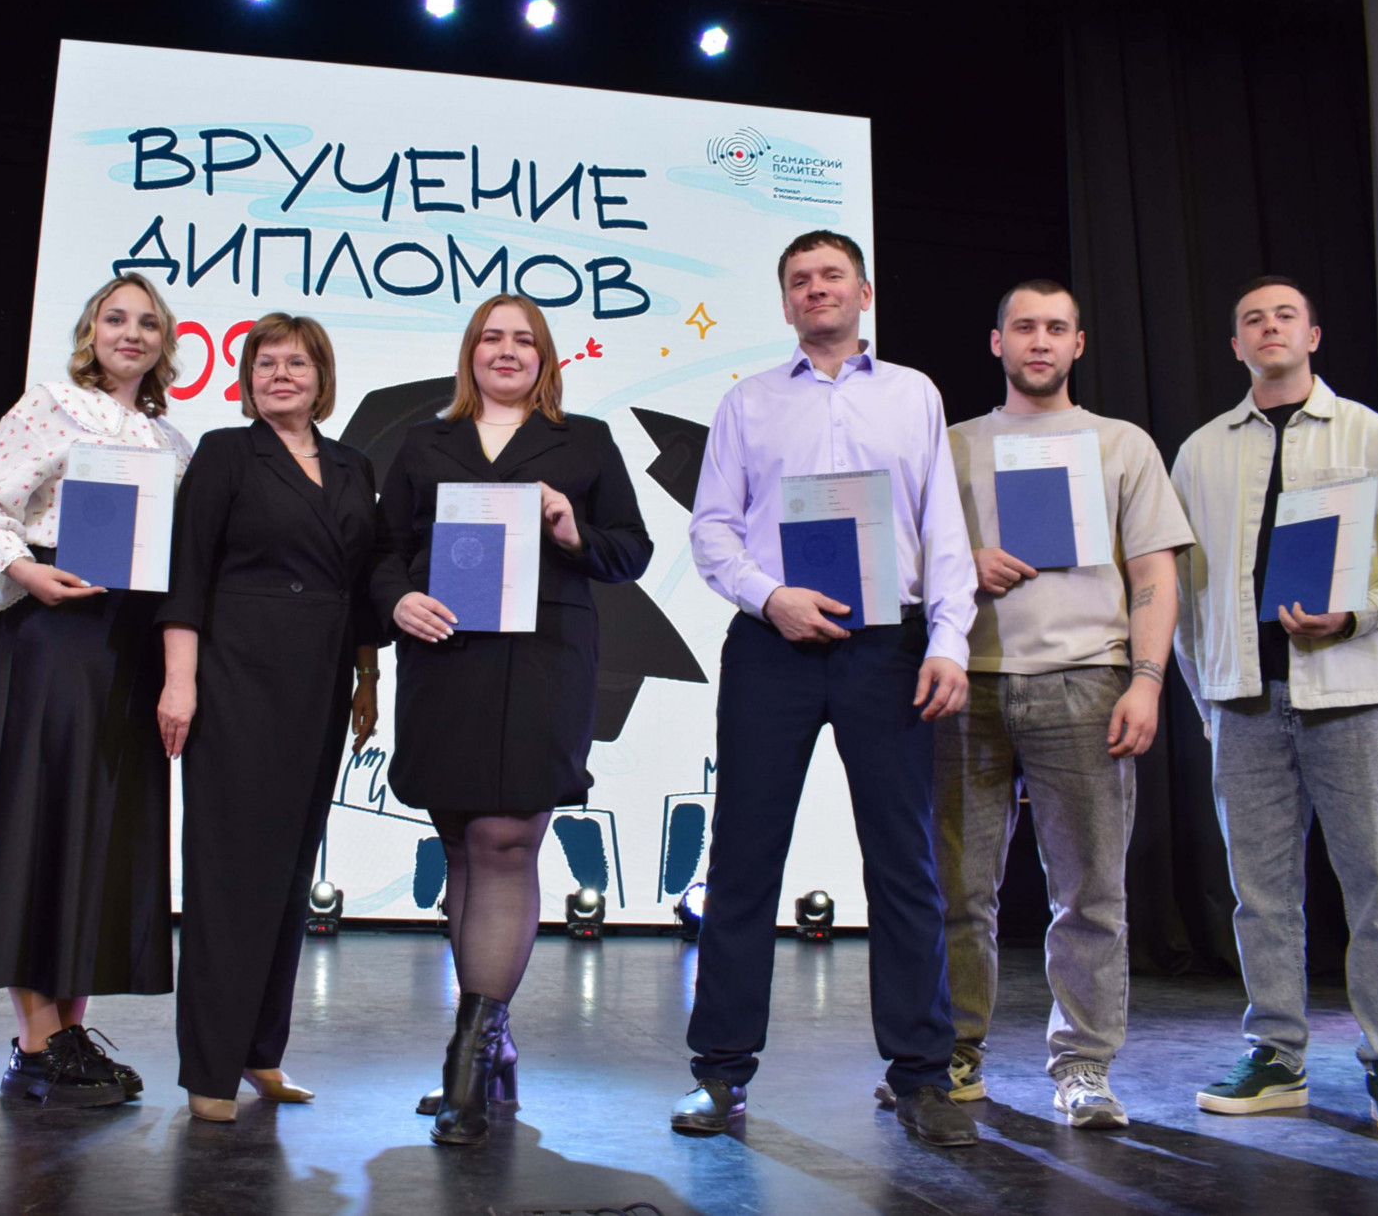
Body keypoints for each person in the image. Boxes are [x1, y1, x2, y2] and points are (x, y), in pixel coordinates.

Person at [678, 230, 979, 1146]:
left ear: (864, 291)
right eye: (801, 280)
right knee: (742, 858)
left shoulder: (914, 393)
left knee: (904, 861)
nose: (817, 289)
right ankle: (720, 1073)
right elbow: (712, 528)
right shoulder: (748, 401)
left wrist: (950, 640)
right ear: (785, 303)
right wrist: (771, 596)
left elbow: (943, 526)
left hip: (889, 645)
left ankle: (922, 1075)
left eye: (832, 276)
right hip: (773, 643)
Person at [373, 293, 653, 1146]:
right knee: (462, 840)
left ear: (545, 357)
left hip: (543, 664)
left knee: (504, 841)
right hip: (446, 658)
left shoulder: (586, 441)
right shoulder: (424, 441)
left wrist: (571, 529)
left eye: (523, 339)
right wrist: (398, 599)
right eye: (491, 337)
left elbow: (630, 551)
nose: (506, 350)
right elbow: (383, 550)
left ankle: (468, 1059)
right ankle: (491, 1045)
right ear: (470, 353)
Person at [1172, 276, 1378, 1138]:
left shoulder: (1373, 435)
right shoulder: (1201, 452)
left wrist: (1358, 613)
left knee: (1377, 888)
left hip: (1355, 694)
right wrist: (1208, 696)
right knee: (1259, 894)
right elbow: (1180, 591)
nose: (1269, 327)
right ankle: (1277, 1055)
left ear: (1313, 335)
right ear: (1235, 345)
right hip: (1245, 701)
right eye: (1252, 319)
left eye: (1285, 315)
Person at [937, 280, 1192, 1129]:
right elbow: (908, 556)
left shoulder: (1121, 443)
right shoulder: (951, 445)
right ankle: (953, 1053)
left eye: (1055, 328)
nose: (1039, 341)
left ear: (1078, 343)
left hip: (1087, 680)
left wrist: (1147, 679)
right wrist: (962, 560)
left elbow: (1155, 572)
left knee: (1089, 893)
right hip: (967, 683)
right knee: (957, 890)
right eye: (1023, 327)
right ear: (997, 341)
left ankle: (1083, 1064)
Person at [0, 272, 191, 1107]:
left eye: (147, 322)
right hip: (57, 628)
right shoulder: (50, 405)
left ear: (165, 342)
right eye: (116, 318)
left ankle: (64, 1037)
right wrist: (25, 572)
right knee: (41, 818)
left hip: (130, 641)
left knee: (96, 830)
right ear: (90, 331)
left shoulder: (171, 441)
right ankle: (37, 1040)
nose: (131, 333)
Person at [157, 313, 382, 1124]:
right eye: (265, 363)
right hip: (236, 680)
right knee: (229, 876)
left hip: (322, 682)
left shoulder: (354, 464)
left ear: (322, 377)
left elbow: (363, 580)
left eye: (296, 363)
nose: (280, 374)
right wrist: (179, 681)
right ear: (246, 378)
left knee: (288, 875)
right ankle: (208, 1067)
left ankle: (261, 1051)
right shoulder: (225, 453)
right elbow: (187, 571)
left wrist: (368, 674)